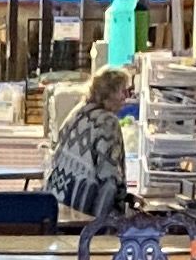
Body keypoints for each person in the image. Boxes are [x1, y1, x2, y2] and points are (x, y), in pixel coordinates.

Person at [45, 64, 135, 221]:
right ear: (110, 93)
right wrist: (127, 200)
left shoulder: (78, 112)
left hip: (57, 200)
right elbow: (109, 175)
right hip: (85, 209)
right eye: (123, 91)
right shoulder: (107, 122)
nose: (125, 98)